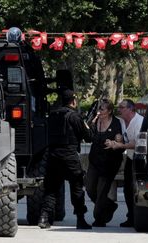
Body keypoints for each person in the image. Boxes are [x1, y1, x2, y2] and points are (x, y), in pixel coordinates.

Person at [38, 89, 92, 230]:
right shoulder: (75, 116)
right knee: (77, 187)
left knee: (51, 188)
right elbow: (88, 137)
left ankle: (44, 218)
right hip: (69, 156)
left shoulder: (52, 115)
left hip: (53, 155)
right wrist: (87, 124)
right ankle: (80, 219)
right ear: (73, 101)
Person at [86, 98, 124, 227]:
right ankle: (110, 205)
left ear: (109, 111)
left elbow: (120, 140)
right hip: (95, 161)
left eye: (102, 109)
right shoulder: (95, 122)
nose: (99, 111)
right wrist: (91, 122)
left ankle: (99, 218)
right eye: (99, 109)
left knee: (102, 191)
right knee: (90, 188)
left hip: (109, 163)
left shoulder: (116, 123)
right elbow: (88, 137)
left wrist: (114, 143)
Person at [106, 99, 143, 227]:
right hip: (130, 157)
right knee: (127, 189)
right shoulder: (122, 121)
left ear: (130, 109)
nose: (119, 109)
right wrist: (117, 139)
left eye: (122, 107)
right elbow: (120, 135)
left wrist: (121, 145)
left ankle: (136, 216)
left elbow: (137, 143)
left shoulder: (139, 122)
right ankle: (131, 216)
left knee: (135, 189)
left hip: (140, 158)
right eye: (119, 107)